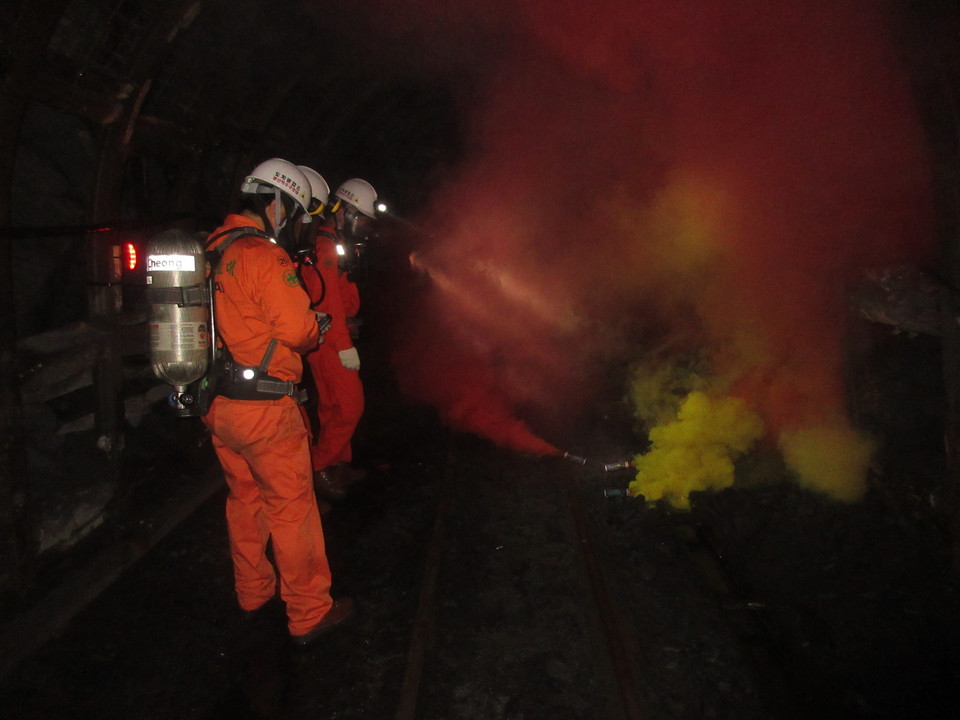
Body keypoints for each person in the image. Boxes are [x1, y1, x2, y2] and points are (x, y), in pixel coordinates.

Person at [202, 157, 352, 645]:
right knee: (291, 508)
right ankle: (309, 612)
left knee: (244, 500)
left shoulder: (213, 249)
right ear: (277, 201)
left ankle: (252, 590)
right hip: (265, 410)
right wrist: (316, 327)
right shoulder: (263, 255)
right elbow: (296, 328)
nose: (295, 223)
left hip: (220, 406)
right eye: (294, 211)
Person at [295, 176, 378, 501]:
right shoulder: (324, 245)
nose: (361, 227)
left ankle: (337, 465)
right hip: (329, 339)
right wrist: (345, 348)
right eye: (360, 218)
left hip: (331, 333)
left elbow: (344, 301)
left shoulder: (334, 243)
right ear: (343, 210)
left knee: (332, 407)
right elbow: (328, 304)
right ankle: (318, 468)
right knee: (349, 406)